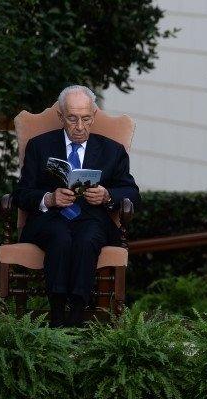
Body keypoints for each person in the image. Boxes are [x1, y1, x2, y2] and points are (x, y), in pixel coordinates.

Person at [14, 85, 140, 327]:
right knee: (60, 238)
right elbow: (21, 193)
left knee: (86, 239)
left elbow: (132, 193)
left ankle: (77, 312)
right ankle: (58, 311)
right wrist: (48, 198)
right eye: (72, 118)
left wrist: (106, 195)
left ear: (93, 116)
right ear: (61, 117)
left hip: (93, 219)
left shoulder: (112, 150)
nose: (79, 126)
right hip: (49, 218)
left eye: (85, 119)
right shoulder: (39, 146)